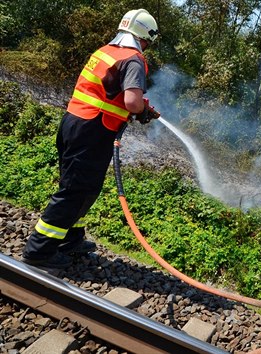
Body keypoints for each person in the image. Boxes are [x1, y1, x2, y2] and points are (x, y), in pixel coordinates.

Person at [21, 9, 161, 268]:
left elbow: (108, 92)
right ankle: (38, 252)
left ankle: (70, 238)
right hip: (93, 130)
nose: (146, 47)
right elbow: (131, 101)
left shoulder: (105, 52)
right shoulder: (133, 59)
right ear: (145, 38)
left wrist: (139, 106)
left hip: (74, 123)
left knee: (84, 187)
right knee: (75, 190)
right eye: (148, 42)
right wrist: (142, 109)